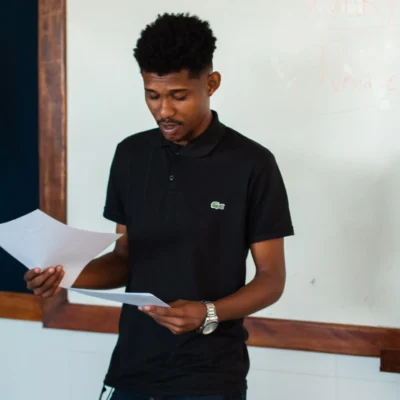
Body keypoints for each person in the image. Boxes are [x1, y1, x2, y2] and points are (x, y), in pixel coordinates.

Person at [24, 12, 294, 400]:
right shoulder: (131, 155)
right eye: (153, 95)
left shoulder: (252, 164)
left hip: (210, 379)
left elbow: (271, 278)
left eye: (178, 96)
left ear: (211, 83)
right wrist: (65, 275)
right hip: (132, 371)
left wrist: (208, 312)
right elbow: (125, 259)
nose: (164, 111)